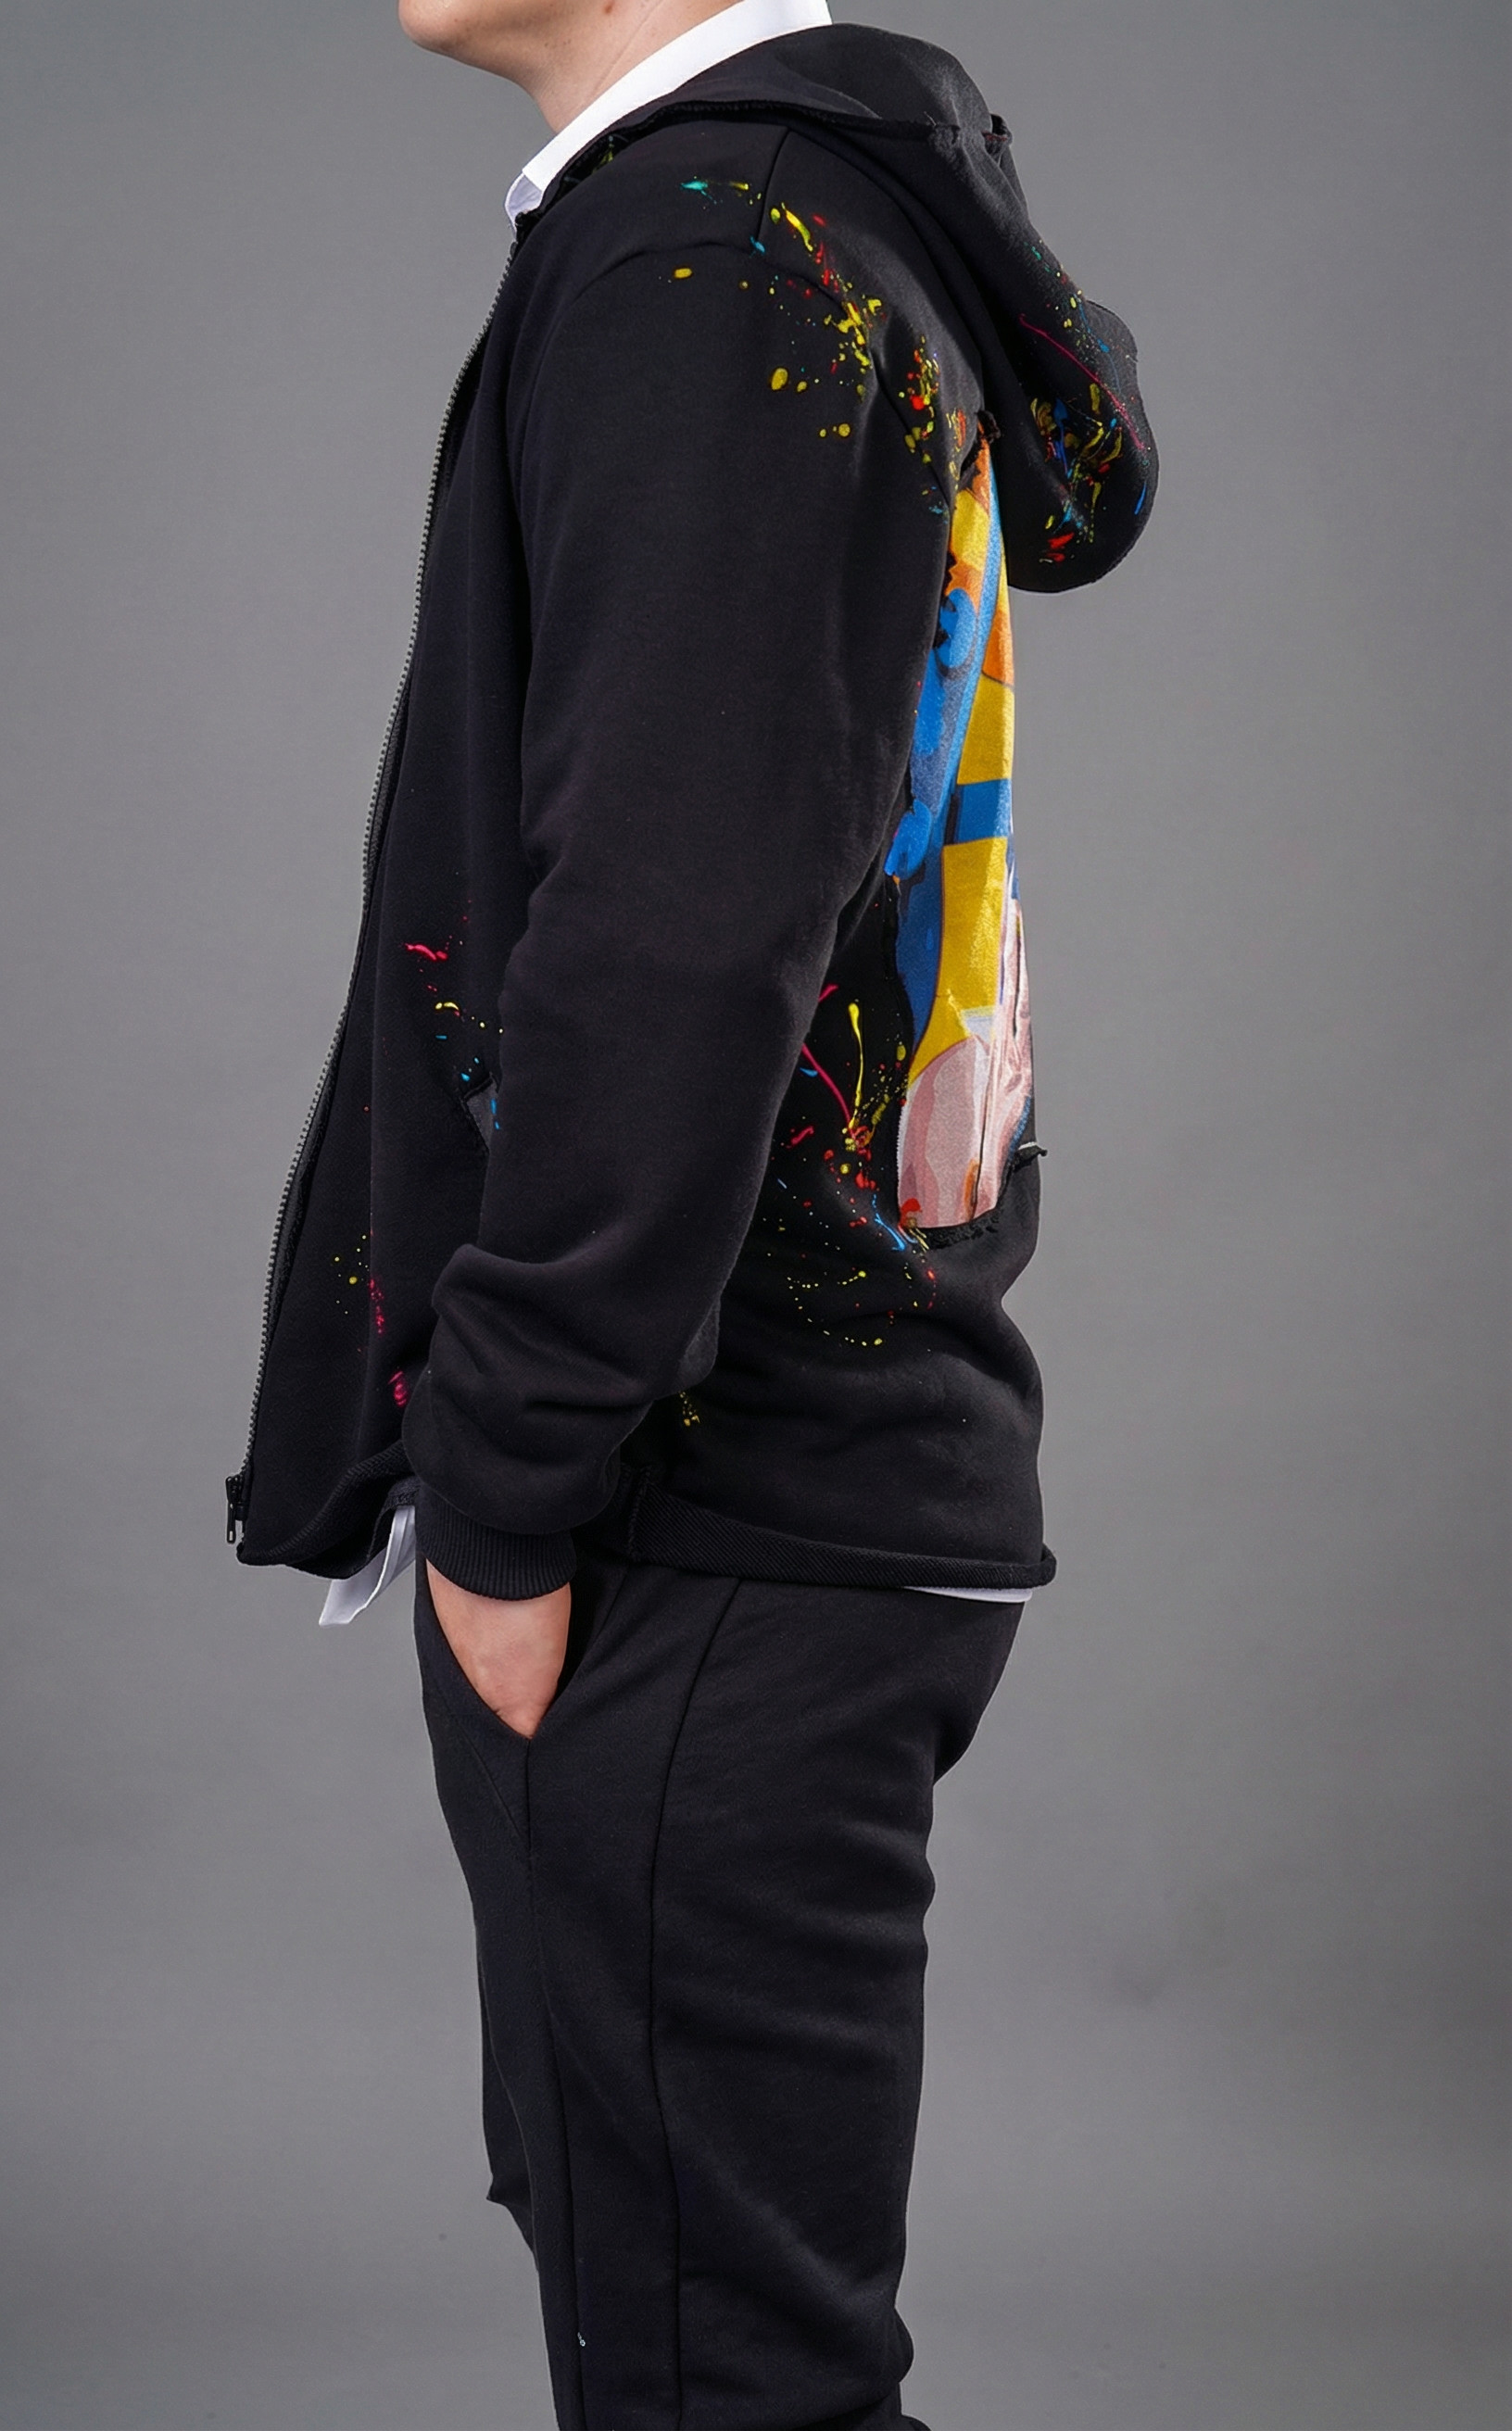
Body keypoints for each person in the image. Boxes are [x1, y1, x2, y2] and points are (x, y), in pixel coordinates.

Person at [227, 2, 1155, 2423]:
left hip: (699, 1520)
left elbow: (671, 926)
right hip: (784, 1500)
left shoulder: (716, 251)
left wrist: (506, 1492)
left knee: (719, 2394)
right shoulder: (775, 227)